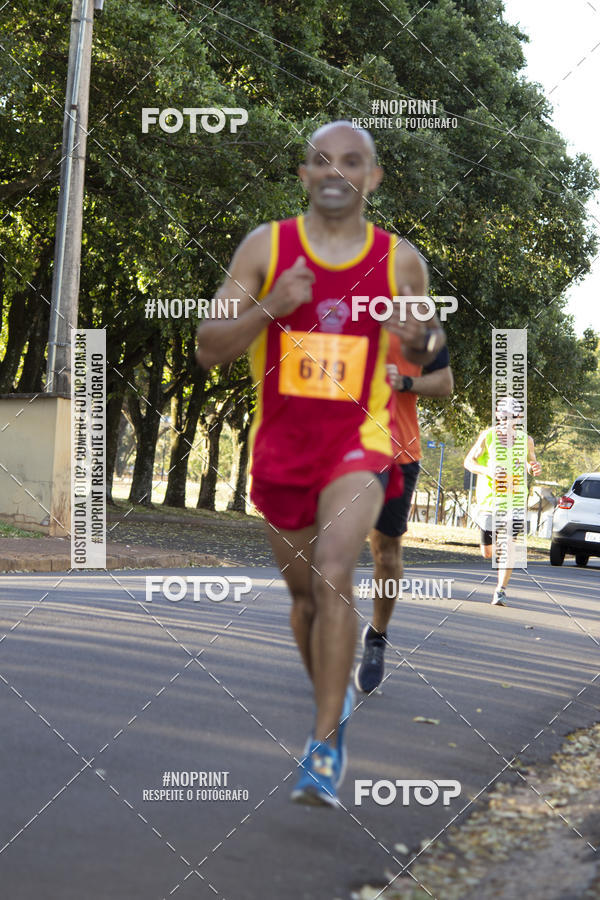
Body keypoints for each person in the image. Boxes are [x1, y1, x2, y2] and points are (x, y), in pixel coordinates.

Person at [196, 120, 445, 807]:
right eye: (322, 161)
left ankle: (324, 743)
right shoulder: (265, 248)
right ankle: (330, 707)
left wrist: (417, 340)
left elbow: (426, 348)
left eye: (353, 161)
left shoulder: (401, 261)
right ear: (304, 174)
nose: (336, 172)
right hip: (282, 447)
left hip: (360, 442)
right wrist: (271, 307)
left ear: (373, 178)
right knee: (306, 599)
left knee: (338, 568)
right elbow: (209, 346)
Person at [354, 337, 453, 693]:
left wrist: (406, 382)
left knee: (386, 553)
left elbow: (445, 382)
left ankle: (377, 637)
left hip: (398, 453)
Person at [464, 396, 541, 606]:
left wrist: (533, 467)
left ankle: (500, 590)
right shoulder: (487, 436)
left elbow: (530, 462)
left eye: (512, 416)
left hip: (515, 500)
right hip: (489, 502)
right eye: (503, 415)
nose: (507, 419)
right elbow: (468, 462)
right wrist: (487, 470)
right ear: (498, 415)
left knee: (508, 545)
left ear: (519, 417)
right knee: (487, 552)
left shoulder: (526, 440)